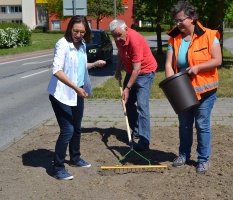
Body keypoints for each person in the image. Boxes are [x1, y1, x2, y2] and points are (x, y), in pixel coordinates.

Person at [165, 1, 222, 174]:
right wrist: (171, 84)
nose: (178, 24)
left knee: (202, 125)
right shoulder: (174, 39)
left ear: (191, 18)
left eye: (180, 20)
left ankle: (203, 159)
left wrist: (198, 67)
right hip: (183, 91)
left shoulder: (209, 35)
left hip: (205, 90)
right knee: (185, 125)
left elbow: (217, 60)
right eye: (176, 20)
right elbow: (169, 64)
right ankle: (183, 154)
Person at [47, 15, 106, 180]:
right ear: (69, 29)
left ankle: (75, 158)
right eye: (75, 31)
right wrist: (75, 88)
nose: (78, 34)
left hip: (77, 92)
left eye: (81, 31)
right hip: (61, 94)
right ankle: (57, 168)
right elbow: (57, 70)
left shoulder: (82, 45)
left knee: (77, 128)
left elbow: (79, 66)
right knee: (68, 130)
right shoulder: (62, 44)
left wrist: (94, 64)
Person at [108, 19, 157, 151]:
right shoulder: (119, 41)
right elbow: (119, 54)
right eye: (114, 36)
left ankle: (144, 139)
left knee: (142, 106)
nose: (117, 39)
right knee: (127, 102)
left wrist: (128, 88)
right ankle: (136, 129)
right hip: (131, 72)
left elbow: (137, 69)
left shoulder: (135, 40)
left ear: (126, 29)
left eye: (119, 35)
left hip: (145, 72)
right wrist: (118, 70)